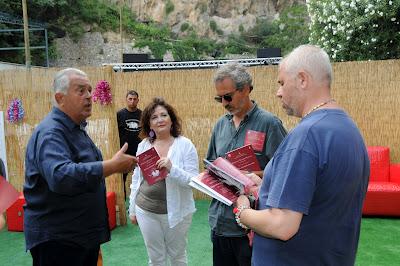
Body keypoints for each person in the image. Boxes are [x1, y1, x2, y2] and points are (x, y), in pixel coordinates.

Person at [234, 45, 370, 266]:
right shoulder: (348, 128)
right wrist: (266, 185)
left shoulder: (306, 135)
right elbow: (321, 195)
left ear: (302, 79)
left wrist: (243, 210)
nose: (278, 92)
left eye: (281, 83)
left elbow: (283, 225)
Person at [24, 68, 137, 266]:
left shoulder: (75, 129)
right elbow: (61, 176)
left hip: (78, 237)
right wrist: (111, 166)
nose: (89, 96)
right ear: (60, 98)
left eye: (90, 90)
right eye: (81, 90)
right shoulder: (51, 133)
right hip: (60, 242)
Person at [207, 62, 287, 266]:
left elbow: (284, 173)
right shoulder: (219, 126)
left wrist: (250, 177)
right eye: (219, 98)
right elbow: (211, 167)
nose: (224, 103)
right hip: (221, 222)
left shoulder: (270, 124)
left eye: (227, 96)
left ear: (246, 89)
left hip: (252, 226)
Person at [128, 97, 199, 266]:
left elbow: (193, 181)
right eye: (154, 117)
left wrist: (172, 169)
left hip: (177, 213)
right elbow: (136, 179)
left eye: (163, 115)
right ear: (149, 124)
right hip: (145, 210)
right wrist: (132, 209)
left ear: (171, 120)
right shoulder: (144, 145)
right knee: (155, 258)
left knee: (178, 257)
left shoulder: (185, 145)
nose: (159, 120)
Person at [117, 90, 142, 200]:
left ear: (138, 100)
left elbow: (149, 131)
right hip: (125, 153)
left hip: (140, 152)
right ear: (126, 100)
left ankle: (140, 204)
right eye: (130, 99)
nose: (132, 101)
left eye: (134, 99)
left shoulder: (143, 115)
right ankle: (124, 203)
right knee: (122, 179)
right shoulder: (119, 115)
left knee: (142, 178)